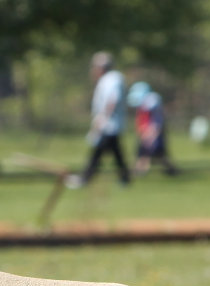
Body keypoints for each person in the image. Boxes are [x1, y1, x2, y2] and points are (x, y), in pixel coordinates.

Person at [68, 52, 129, 188]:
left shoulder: (111, 80)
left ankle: (85, 178)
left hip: (109, 125)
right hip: (110, 124)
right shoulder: (109, 79)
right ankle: (125, 178)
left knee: (97, 153)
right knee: (116, 153)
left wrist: (102, 119)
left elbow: (112, 100)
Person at [127, 81, 179, 176]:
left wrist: (152, 133)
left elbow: (157, 121)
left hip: (152, 133)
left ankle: (140, 171)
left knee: (154, 153)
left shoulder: (152, 102)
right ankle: (139, 171)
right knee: (145, 153)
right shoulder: (143, 107)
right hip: (147, 132)